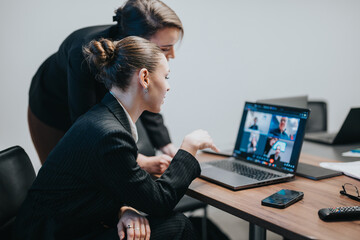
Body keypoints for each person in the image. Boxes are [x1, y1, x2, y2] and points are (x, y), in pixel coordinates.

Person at [14, 37, 219, 240]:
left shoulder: (102, 118)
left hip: (63, 225)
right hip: (51, 234)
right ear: (144, 78)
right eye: (166, 77)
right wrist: (189, 147)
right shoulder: (110, 134)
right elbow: (160, 202)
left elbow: (95, 189)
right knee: (178, 225)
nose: (168, 87)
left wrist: (123, 210)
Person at [27, 0, 181, 174]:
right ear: (139, 41)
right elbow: (86, 126)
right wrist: (140, 161)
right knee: (67, 173)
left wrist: (167, 146)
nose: (172, 55)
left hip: (97, 108)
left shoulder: (136, 47)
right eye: (165, 48)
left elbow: (147, 93)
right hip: (53, 104)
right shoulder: (83, 52)